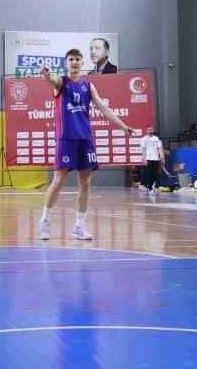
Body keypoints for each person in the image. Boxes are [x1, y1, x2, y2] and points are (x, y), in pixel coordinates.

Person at [38, 48, 145, 240]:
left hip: (85, 138)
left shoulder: (88, 85)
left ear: (82, 62)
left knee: (85, 182)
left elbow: (103, 108)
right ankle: (44, 221)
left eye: (77, 59)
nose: (74, 62)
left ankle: (79, 226)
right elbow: (50, 79)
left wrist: (123, 126)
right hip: (66, 138)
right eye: (71, 59)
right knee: (59, 179)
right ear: (66, 63)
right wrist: (46, 73)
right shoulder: (62, 82)